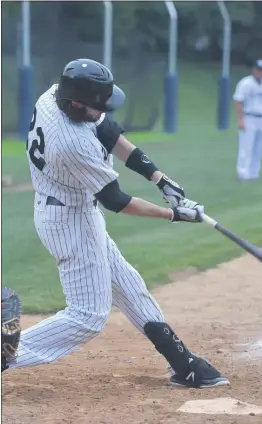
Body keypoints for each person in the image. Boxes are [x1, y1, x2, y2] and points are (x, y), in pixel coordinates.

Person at [1, 58, 229, 389]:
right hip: (69, 219)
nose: (104, 110)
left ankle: (183, 362)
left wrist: (159, 177)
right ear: (77, 105)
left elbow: (107, 131)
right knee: (88, 317)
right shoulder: (72, 143)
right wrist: (175, 214)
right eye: (98, 105)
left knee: (128, 285)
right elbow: (117, 200)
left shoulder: (55, 96)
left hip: (75, 211)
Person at [233, 59, 262, 181]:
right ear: (254, 70)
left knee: (259, 147)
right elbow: (238, 101)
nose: (260, 72)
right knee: (246, 146)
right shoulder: (245, 83)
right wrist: (240, 119)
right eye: (258, 70)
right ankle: (243, 173)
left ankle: (254, 173)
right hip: (249, 116)